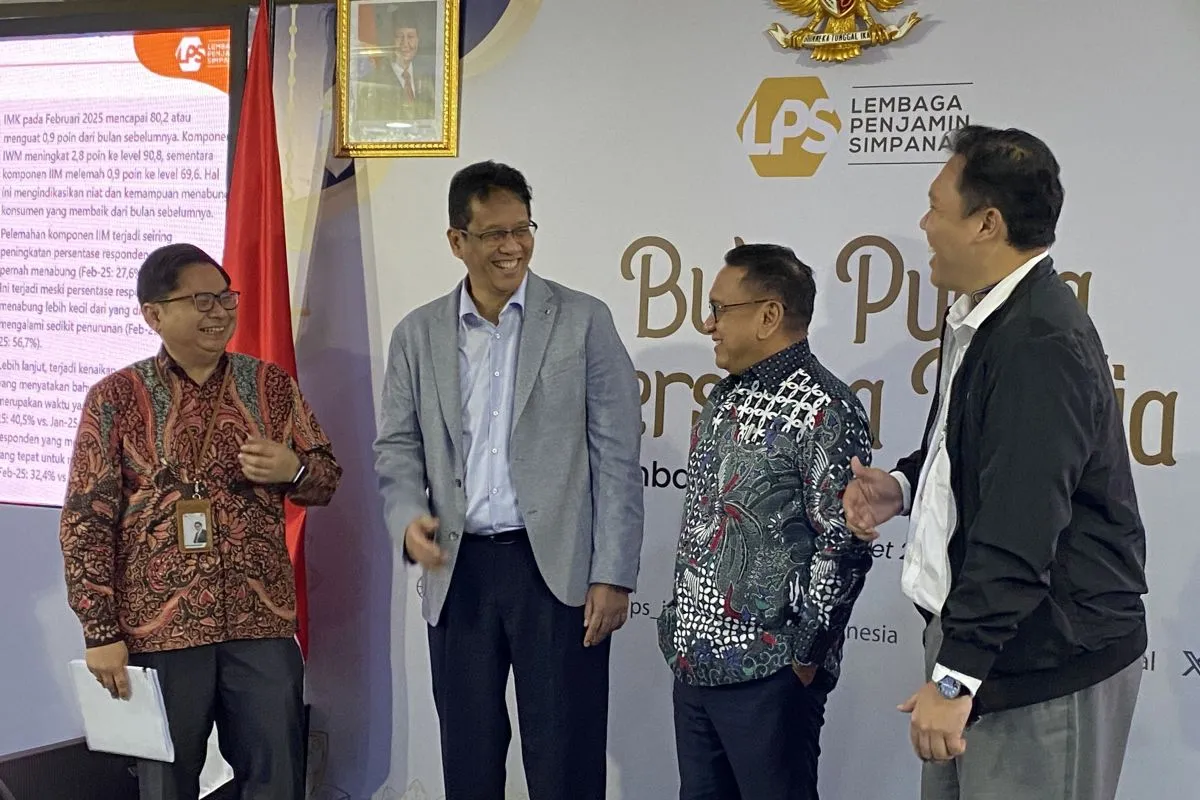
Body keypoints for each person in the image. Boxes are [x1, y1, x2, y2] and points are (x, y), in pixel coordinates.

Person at [842, 125, 1147, 800]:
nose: (923, 226)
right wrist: (903, 486)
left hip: (1042, 662)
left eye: (935, 207)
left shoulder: (1038, 340)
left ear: (987, 223)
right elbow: (974, 450)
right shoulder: (985, 317)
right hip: (986, 648)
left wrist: (956, 678)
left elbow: (1020, 527)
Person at [373, 160, 644, 800]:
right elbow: (397, 446)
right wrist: (407, 516)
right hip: (458, 570)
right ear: (456, 241)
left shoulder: (583, 320)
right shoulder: (417, 334)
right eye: (494, 233)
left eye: (522, 229)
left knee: (566, 761)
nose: (512, 246)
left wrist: (612, 572)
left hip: (554, 572)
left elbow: (616, 455)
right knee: (468, 759)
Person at [59, 243, 342, 800]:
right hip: (159, 629)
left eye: (225, 298)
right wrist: (100, 632)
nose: (219, 312)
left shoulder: (269, 385)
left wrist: (293, 469)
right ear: (154, 314)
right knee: (166, 783)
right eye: (201, 301)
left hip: (259, 624)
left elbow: (326, 479)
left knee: (278, 777)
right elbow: (86, 522)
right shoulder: (115, 399)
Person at [657, 243, 874, 800]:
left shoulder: (828, 408)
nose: (708, 324)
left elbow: (843, 545)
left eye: (719, 309)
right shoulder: (723, 397)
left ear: (769, 315)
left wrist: (805, 656)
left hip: (772, 676)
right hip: (695, 668)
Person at [360, 5, 435, 120]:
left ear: (418, 40)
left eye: (411, 36)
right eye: (399, 36)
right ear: (391, 40)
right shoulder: (374, 82)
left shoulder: (428, 80)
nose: (405, 43)